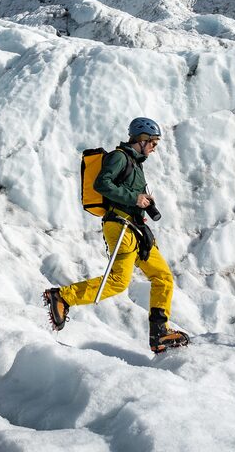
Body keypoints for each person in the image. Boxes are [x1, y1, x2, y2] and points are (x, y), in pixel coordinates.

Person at [43, 118, 190, 354]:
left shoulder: (135, 163)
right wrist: (134, 199)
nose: (155, 147)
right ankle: (62, 297)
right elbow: (103, 183)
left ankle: (160, 333)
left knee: (163, 276)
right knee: (118, 282)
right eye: (153, 142)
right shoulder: (119, 157)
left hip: (136, 228)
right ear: (141, 140)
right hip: (120, 225)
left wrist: (142, 200)